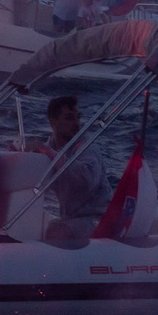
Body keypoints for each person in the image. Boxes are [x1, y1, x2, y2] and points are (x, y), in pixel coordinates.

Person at [37, 96, 113, 239]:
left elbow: (87, 180)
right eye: (69, 118)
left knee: (57, 234)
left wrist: (50, 153)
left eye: (78, 117)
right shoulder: (50, 148)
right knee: (37, 229)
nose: (76, 123)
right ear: (53, 123)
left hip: (99, 219)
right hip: (73, 219)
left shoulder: (88, 148)